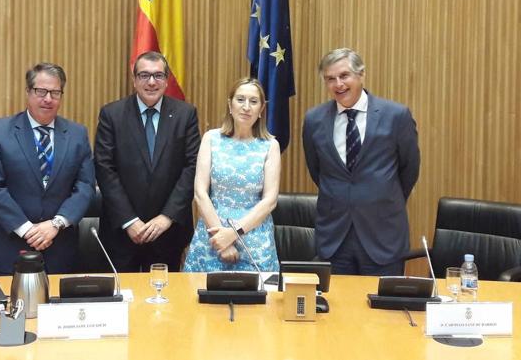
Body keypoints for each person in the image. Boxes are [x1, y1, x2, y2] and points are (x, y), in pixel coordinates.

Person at [302, 48, 420, 276]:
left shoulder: (396, 116)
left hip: (382, 235)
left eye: (344, 76)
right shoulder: (314, 120)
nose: (338, 84)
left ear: (361, 75)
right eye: (330, 79)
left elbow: (410, 169)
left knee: (383, 310)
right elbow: (317, 170)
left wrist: (380, 197)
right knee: (335, 309)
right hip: (334, 238)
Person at [0, 62, 95, 275]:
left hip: (59, 249)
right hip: (7, 249)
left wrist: (56, 224)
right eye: (41, 91)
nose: (48, 98)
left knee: (57, 308)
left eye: (55, 92)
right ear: (28, 92)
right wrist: (27, 229)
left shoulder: (77, 134)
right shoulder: (0, 131)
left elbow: (85, 186)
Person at [94, 51, 200, 272]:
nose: (151, 82)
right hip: (121, 233)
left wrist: (166, 217)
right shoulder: (112, 115)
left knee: (164, 302)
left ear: (167, 80)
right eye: (144, 75)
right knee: (122, 301)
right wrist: (130, 221)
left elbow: (192, 168)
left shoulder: (185, 114)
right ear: (134, 80)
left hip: (168, 233)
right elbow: (105, 170)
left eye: (158, 75)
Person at [184, 78, 281, 272]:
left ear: (261, 109)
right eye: (240, 99)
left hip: (254, 239)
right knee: (201, 299)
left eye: (253, 102)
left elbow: (270, 201)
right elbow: (200, 193)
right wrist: (222, 240)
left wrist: (233, 234)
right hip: (212, 236)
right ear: (230, 105)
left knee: (259, 301)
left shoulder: (270, 145)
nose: (246, 107)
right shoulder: (211, 138)